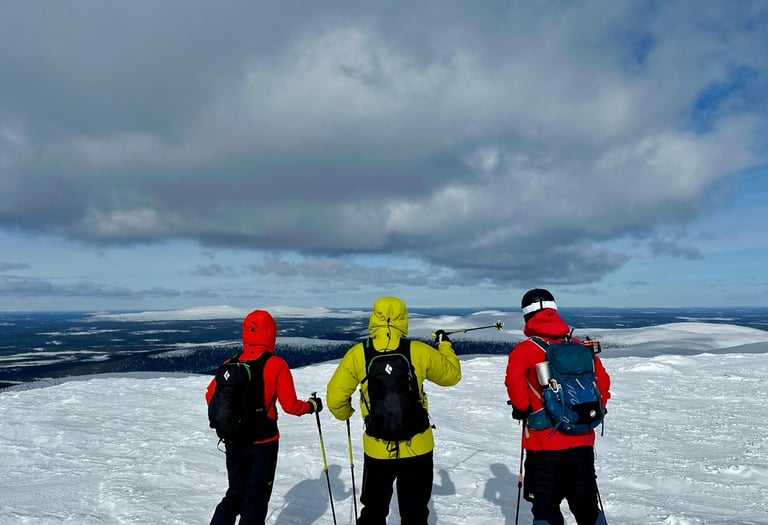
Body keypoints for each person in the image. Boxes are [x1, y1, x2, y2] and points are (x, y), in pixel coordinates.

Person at [326, 296, 462, 524]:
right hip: (418, 446)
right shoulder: (417, 350)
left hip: (378, 447)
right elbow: (452, 376)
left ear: (374, 318)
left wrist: (346, 413)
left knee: (374, 511)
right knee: (415, 514)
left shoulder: (359, 353)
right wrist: (445, 345)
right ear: (403, 318)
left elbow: (334, 398)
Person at [206, 309, 322, 525]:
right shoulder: (276, 364)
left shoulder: (230, 363)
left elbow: (211, 396)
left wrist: (233, 418)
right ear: (271, 333)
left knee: (234, 494)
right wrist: (311, 406)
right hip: (264, 442)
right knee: (256, 500)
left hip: (233, 441)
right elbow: (291, 406)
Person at [505, 289, 611, 525]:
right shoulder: (578, 346)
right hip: (582, 442)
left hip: (543, 445)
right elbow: (602, 382)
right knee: (587, 508)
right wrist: (588, 412)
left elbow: (514, 383)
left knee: (545, 508)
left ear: (526, 315)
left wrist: (522, 408)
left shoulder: (525, 350)